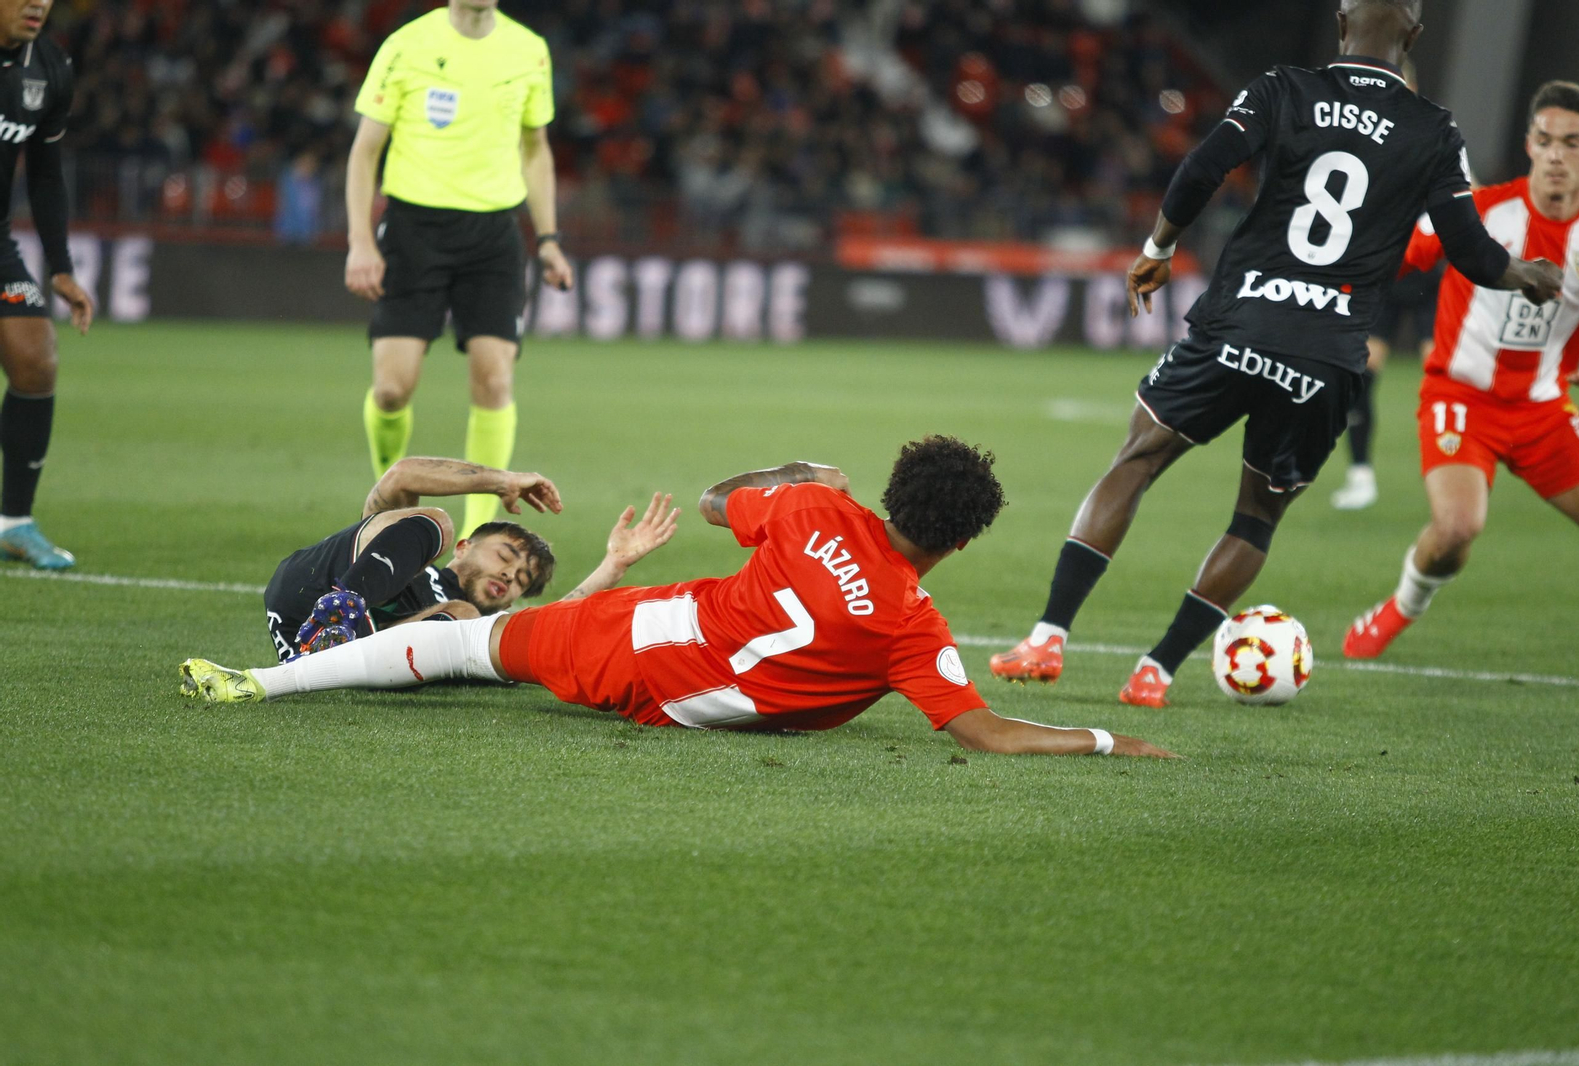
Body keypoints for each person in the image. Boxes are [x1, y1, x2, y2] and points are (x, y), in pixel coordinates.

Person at [989, 0, 1564, 707]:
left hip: (1238, 323)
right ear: (1414, 35)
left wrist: (1157, 249)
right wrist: (1527, 275)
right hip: (1325, 358)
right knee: (1256, 516)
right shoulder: (1433, 130)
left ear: (1340, 23)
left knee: (1136, 461)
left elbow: (1202, 169)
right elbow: (1472, 254)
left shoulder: (1282, 89)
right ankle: (1157, 671)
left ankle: (1048, 637)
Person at [179, 437, 1175, 758]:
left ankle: (269, 680)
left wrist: (786, 473)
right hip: (681, 705)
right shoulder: (912, 626)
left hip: (624, 638)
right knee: (464, 645)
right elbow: (984, 732)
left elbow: (712, 503)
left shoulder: (812, 508)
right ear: (959, 539)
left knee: (463, 648)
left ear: (888, 492)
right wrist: (1102, 742)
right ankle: (313, 648)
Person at [1344, 81, 1579, 659]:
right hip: (1462, 399)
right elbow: (1398, 257)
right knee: (1457, 530)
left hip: (1544, 411)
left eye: (1571, 141)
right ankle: (1399, 609)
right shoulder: (1481, 213)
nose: (1557, 153)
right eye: (1545, 140)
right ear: (1530, 146)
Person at [345, 0, 574, 540]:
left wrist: (548, 239)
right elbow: (364, 152)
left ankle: (476, 531)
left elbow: (536, 150)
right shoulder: (406, 46)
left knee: (495, 380)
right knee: (392, 391)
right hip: (412, 231)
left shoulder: (529, 50)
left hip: (493, 234)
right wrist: (360, 241)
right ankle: (387, 500)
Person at [262, 455, 679, 663]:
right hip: (312, 585)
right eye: (506, 554)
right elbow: (401, 476)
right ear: (465, 547)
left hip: (345, 652)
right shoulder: (409, 556)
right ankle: (342, 608)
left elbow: (549, 624)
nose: (508, 574)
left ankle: (333, 646)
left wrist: (613, 566)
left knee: (474, 622)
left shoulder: (470, 618)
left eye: (520, 579)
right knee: (428, 522)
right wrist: (504, 481)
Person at [0, 0, 94, 570]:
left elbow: (44, 169)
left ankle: (15, 522)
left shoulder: (50, 67)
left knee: (37, 361)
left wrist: (60, 266)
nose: (38, 3)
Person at [1331, 57, 1443, 511]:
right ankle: (1360, 476)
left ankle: (1454, 472)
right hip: (1384, 273)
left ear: (1411, 85)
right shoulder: (1362, 138)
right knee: (1360, 375)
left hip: (1431, 274)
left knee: (1442, 376)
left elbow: (1469, 189)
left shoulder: (1435, 130)